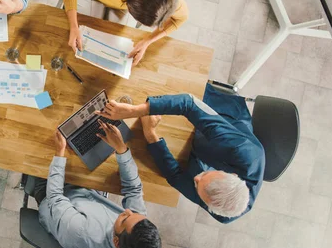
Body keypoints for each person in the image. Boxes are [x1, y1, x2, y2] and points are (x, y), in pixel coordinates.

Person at [97, 94, 265, 223]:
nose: (197, 178)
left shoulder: (218, 205)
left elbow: (176, 177)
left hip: (200, 147)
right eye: (204, 176)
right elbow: (189, 103)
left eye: (197, 184)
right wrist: (135, 111)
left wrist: (150, 133)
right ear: (232, 175)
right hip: (223, 118)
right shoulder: (242, 150)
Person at [35, 121, 161, 248]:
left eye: (124, 219)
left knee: (37, 137)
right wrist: (121, 149)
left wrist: (60, 151)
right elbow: (134, 190)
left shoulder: (80, 234)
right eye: (135, 214)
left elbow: (55, 197)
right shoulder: (134, 227)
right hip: (88, 193)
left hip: (52, 195)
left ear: (116, 242)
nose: (128, 211)